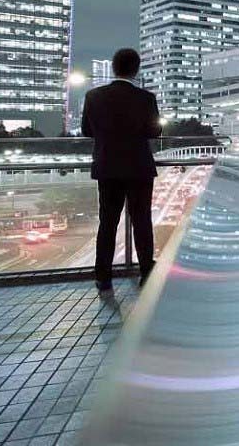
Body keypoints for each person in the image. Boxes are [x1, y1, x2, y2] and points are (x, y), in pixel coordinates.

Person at [82, 48, 162, 296]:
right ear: (136, 69)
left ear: (114, 68)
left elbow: (86, 130)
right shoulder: (146, 98)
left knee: (107, 223)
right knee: (142, 221)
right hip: (139, 168)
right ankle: (146, 272)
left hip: (107, 167)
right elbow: (154, 132)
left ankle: (103, 277)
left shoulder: (94, 96)